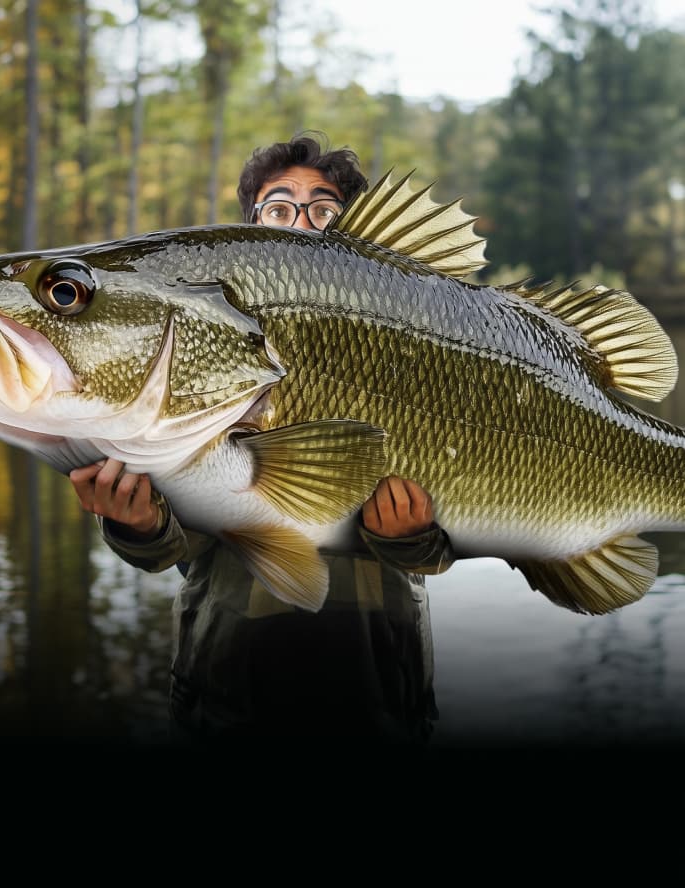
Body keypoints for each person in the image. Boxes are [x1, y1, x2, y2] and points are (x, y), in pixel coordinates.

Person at [69, 133, 453, 750]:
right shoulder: (198, 348)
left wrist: (415, 536)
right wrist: (134, 524)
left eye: (323, 209)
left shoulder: (415, 348)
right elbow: (169, 545)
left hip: (378, 684)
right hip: (232, 686)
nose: (300, 222)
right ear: (250, 227)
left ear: (349, 230)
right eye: (278, 208)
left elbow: (449, 542)